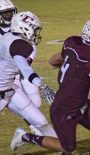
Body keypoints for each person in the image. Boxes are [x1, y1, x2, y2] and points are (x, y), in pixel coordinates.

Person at [11, 17, 90, 155]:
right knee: (67, 148)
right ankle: (24, 137)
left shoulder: (72, 42)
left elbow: (53, 61)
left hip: (81, 103)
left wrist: (72, 70)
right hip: (64, 109)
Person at [0, 0, 54, 136]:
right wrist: (40, 84)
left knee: (40, 120)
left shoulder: (13, 36)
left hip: (9, 87)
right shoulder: (17, 42)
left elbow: (23, 65)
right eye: (6, 13)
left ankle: (65, 150)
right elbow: (24, 68)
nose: (9, 16)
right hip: (6, 83)